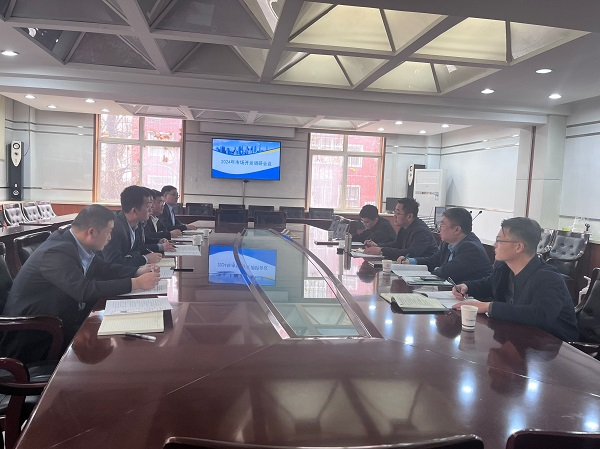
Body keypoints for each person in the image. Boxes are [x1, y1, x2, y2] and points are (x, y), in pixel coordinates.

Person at [1, 204, 160, 363]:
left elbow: (102, 267)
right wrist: (136, 283)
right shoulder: (57, 252)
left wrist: (136, 271)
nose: (110, 237)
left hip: (61, 319)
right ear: (92, 232)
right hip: (36, 336)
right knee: (111, 354)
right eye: (109, 232)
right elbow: (84, 290)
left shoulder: (75, 242)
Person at [451, 217, 578, 342]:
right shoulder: (504, 268)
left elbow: (540, 315)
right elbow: (489, 284)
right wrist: (467, 286)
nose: (495, 245)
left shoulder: (548, 278)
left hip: (553, 345)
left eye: (499, 240)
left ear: (518, 247)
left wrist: (489, 307)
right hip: (516, 336)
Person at [401, 207, 492, 283]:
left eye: (442, 225)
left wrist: (432, 271)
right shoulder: (447, 242)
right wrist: (411, 261)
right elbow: (434, 260)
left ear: (457, 230)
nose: (439, 229)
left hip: (473, 296)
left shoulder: (470, 248)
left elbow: (447, 272)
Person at [102, 185, 163, 266]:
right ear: (134, 211)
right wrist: (145, 259)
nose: (151, 209)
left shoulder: (137, 224)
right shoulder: (114, 228)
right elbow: (113, 262)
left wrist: (131, 256)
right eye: (148, 206)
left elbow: (138, 249)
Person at [363, 198, 437, 259]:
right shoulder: (404, 227)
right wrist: (377, 246)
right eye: (394, 212)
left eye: (398, 213)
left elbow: (411, 253)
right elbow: (396, 244)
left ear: (409, 216)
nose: (394, 216)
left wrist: (382, 250)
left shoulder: (421, 231)